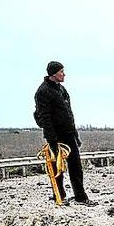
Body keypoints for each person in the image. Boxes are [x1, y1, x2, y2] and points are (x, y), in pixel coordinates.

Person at [33, 61, 92, 205]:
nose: (64, 74)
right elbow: (44, 118)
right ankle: (59, 196)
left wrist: (75, 135)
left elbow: (69, 114)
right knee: (57, 168)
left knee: (76, 166)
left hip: (69, 134)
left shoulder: (62, 89)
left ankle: (80, 197)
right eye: (61, 72)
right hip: (56, 136)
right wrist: (52, 140)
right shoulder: (42, 92)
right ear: (53, 74)